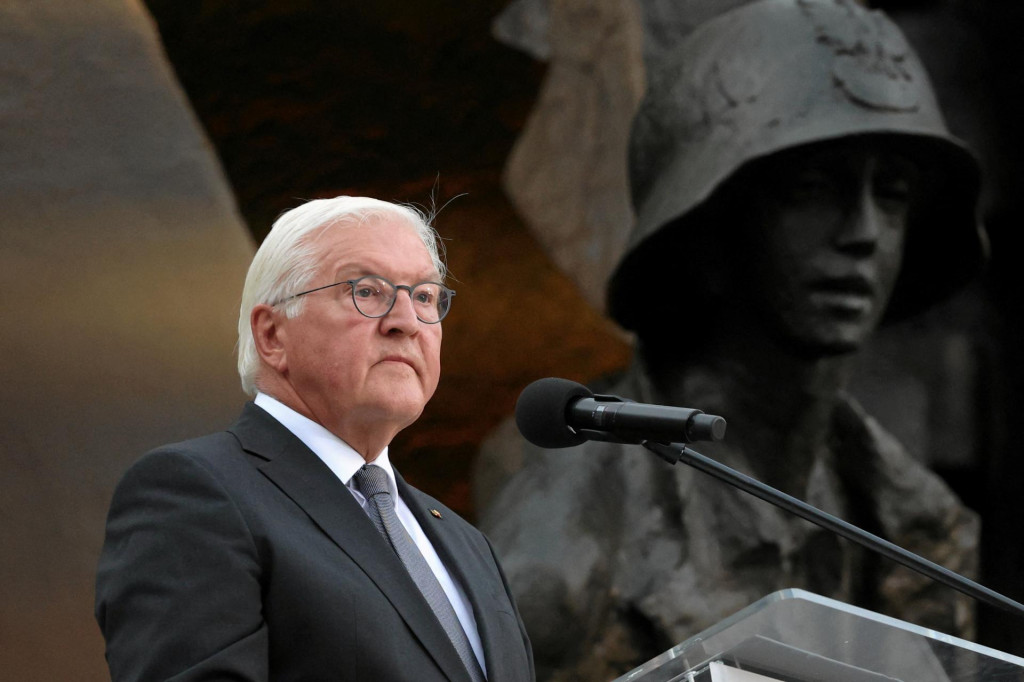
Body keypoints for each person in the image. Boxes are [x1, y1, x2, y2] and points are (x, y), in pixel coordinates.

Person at [474, 1, 986, 680]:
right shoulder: (563, 560)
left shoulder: (919, 527)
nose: (862, 231)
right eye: (811, 188)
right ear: (710, 226)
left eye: (890, 194)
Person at [95, 196, 535, 682]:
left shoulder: (465, 541)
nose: (407, 322)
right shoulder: (194, 493)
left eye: (426, 296)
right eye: (367, 291)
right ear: (272, 335)